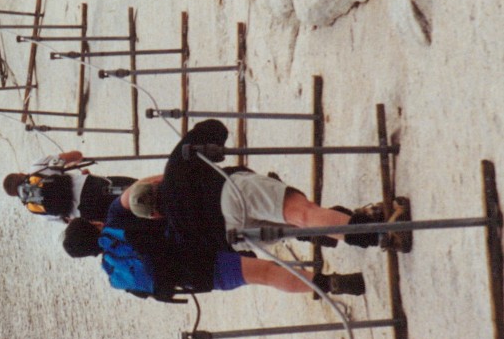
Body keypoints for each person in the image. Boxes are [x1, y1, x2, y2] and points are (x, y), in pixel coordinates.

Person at [76, 119, 407, 298]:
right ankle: (371, 234)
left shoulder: (123, 271)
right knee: (302, 213)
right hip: (231, 194)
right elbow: (215, 127)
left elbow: (185, 259)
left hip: (216, 254)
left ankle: (331, 284)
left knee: (268, 272)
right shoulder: (166, 179)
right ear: (92, 223)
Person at [2, 150, 135, 223]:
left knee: (131, 215)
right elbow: (76, 155)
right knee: (136, 188)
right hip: (93, 186)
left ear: (16, 195)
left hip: (87, 212)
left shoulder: (33, 208)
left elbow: (66, 219)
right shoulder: (37, 167)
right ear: (19, 174)